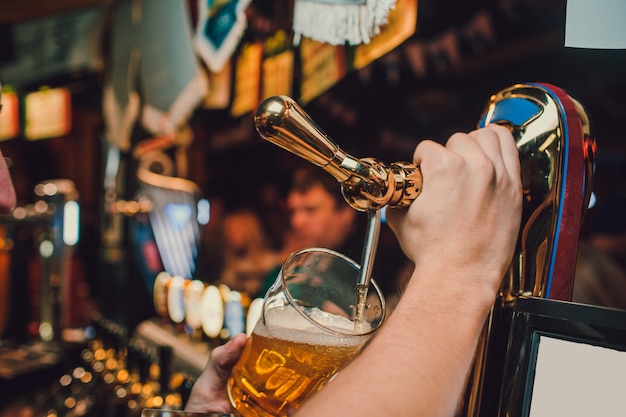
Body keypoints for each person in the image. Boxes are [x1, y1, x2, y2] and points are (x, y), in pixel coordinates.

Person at [185, 124, 523, 417]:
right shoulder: (301, 262)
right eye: (295, 210)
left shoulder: (371, 269)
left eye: (311, 209)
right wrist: (458, 268)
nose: (299, 219)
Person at [259, 164, 412, 299]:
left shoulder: (376, 264)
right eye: (293, 211)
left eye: (310, 210)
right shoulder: (300, 255)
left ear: (346, 212)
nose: (296, 222)